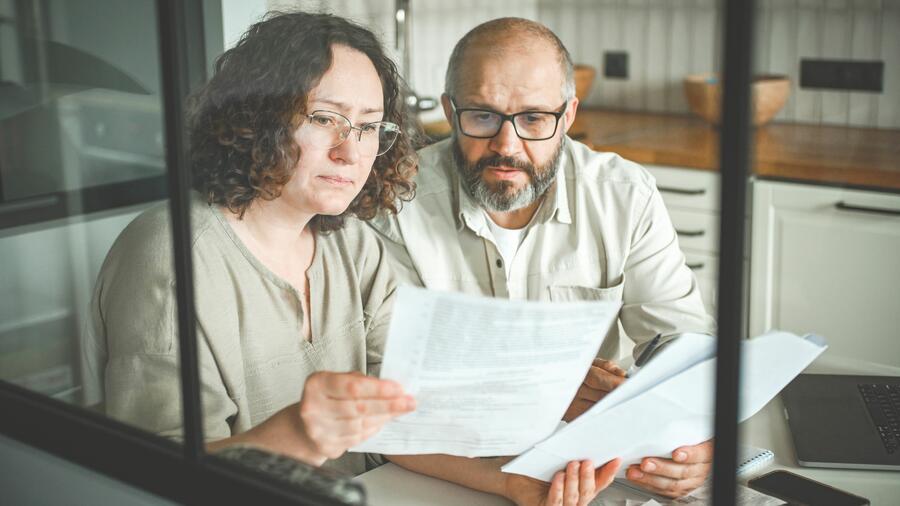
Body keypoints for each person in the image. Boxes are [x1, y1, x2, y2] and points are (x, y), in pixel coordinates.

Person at [368, 18, 717, 498]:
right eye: (483, 116)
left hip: (596, 462)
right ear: (450, 111)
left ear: (568, 114)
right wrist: (546, 387)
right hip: (444, 464)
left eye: (533, 118)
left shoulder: (624, 194)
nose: (507, 146)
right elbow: (387, 379)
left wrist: (690, 437)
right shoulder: (394, 203)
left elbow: (683, 340)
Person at [82, 11, 422, 476]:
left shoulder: (357, 247)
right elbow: (156, 471)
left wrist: (513, 486)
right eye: (325, 119)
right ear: (259, 119)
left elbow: (407, 419)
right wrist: (298, 437)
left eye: (368, 126)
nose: (351, 151)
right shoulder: (170, 254)